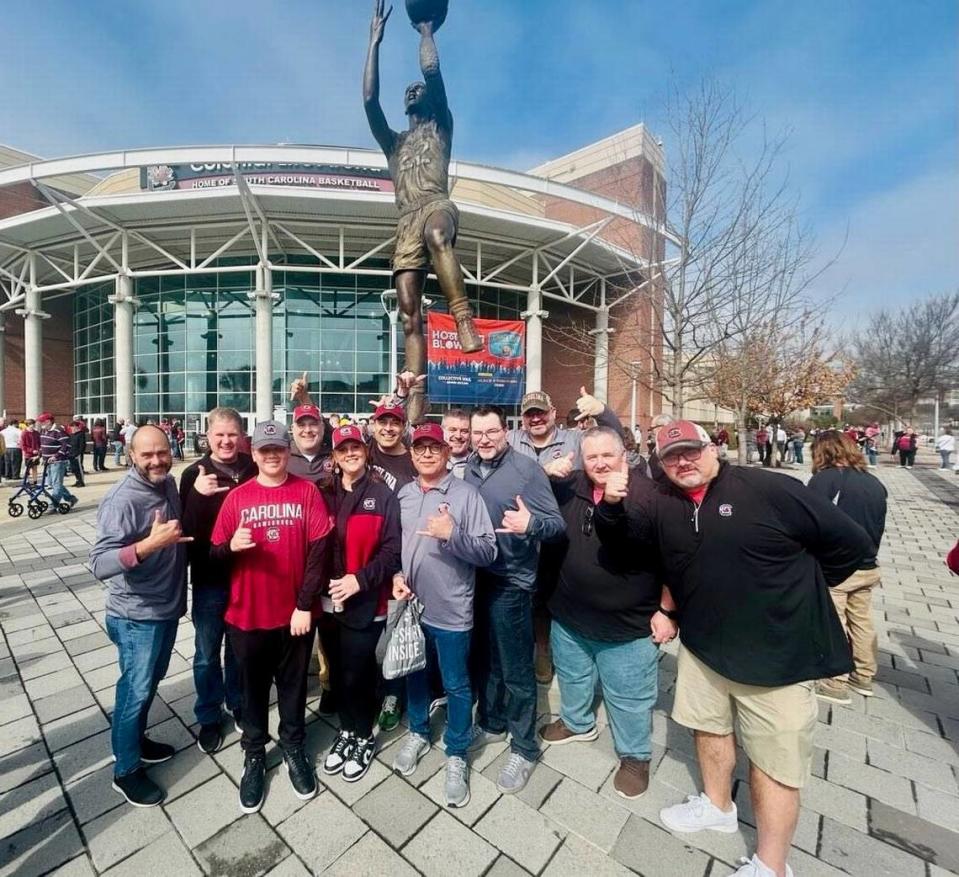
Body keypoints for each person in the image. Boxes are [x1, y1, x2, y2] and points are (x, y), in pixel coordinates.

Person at [595, 420, 874, 877]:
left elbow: (851, 545)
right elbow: (634, 548)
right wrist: (610, 508)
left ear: (713, 449)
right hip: (705, 647)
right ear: (660, 464)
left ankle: (771, 864)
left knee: (773, 762)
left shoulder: (768, 488)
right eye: (671, 457)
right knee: (708, 729)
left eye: (691, 451)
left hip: (777, 657)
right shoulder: (667, 502)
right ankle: (718, 806)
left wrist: (796, 593)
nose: (683, 462)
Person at [364, 0, 483, 423]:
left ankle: (463, 318)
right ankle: (415, 394)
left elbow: (432, 72)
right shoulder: (395, 145)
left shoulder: (441, 126)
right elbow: (369, 100)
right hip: (405, 220)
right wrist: (374, 42)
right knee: (409, 315)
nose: (413, 90)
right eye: (407, 90)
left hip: (436, 205)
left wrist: (426, 30)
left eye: (418, 90)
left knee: (438, 236)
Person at [540, 426, 675, 799]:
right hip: (570, 615)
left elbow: (676, 559)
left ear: (624, 456)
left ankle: (635, 755)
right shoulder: (571, 485)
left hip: (627, 625)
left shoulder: (651, 496)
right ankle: (576, 721)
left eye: (607, 456)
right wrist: (544, 475)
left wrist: (667, 610)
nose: (599, 463)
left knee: (629, 696)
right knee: (573, 675)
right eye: (591, 456)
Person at [210, 421, 334, 814]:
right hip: (246, 616)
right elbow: (213, 557)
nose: (271, 455)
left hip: (294, 616)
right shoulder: (237, 498)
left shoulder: (307, 491)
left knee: (294, 687)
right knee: (252, 691)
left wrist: (303, 604)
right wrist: (231, 546)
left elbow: (319, 553)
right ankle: (253, 753)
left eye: (278, 448)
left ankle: (294, 746)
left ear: (288, 450)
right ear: (255, 453)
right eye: (264, 450)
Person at [391, 422, 497, 806]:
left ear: (447, 451)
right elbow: (396, 547)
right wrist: (397, 576)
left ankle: (457, 751)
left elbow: (488, 551)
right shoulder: (403, 494)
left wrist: (452, 534)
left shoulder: (466, 495)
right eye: (419, 448)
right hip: (412, 607)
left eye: (433, 447)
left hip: (452, 608)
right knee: (415, 674)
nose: (426, 454)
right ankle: (418, 730)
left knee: (456, 683)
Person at [89, 425, 191, 807]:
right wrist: (148, 545)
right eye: (147, 455)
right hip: (136, 616)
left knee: (148, 684)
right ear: (131, 455)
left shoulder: (168, 483)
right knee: (135, 690)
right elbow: (98, 563)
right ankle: (125, 770)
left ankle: (136, 740)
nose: (156, 461)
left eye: (162, 452)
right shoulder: (121, 499)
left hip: (165, 608)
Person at [465, 405, 565, 794]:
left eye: (491, 431)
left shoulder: (527, 470)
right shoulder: (469, 468)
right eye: (478, 433)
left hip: (512, 582)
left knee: (517, 670)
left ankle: (524, 747)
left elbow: (555, 526)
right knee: (487, 661)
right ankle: (491, 722)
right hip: (478, 578)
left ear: (505, 432)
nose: (484, 439)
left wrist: (532, 524)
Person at [508, 386, 622, 685]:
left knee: (556, 591)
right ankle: (532, 649)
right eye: (530, 415)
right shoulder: (509, 441)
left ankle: (555, 651)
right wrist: (542, 472)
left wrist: (603, 412)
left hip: (564, 526)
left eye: (541, 413)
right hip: (522, 528)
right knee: (526, 594)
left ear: (553, 414)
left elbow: (615, 444)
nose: (536, 420)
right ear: (523, 418)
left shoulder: (574, 438)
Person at [319, 425, 401, 783]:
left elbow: (392, 551)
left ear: (366, 452)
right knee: (336, 673)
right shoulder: (322, 494)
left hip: (366, 600)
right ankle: (347, 731)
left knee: (358, 673)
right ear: (334, 457)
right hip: (328, 602)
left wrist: (359, 579)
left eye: (356, 447)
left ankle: (364, 736)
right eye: (343, 449)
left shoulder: (383, 496)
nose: (350, 453)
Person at [180, 407, 256, 754]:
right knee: (206, 653)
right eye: (219, 435)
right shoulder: (193, 473)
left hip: (245, 577)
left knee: (239, 651)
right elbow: (186, 532)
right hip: (210, 579)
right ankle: (208, 715)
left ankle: (237, 703)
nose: (226, 441)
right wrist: (197, 495)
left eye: (232, 435)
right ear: (207, 436)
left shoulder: (251, 468)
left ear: (241, 436)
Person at [808, 432, 888, 703]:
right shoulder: (874, 482)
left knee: (834, 621)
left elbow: (809, 522)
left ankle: (835, 682)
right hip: (868, 564)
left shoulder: (824, 480)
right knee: (862, 621)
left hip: (838, 566)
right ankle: (864, 675)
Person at [37, 413, 78, 509]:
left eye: (42, 422)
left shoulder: (59, 431)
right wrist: (39, 456)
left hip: (58, 461)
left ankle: (54, 504)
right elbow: (43, 445)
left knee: (56, 483)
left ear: (48, 421)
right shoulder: (44, 430)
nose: (40, 424)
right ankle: (71, 498)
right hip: (48, 461)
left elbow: (66, 445)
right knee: (52, 483)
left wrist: (56, 456)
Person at [287, 403, 333, 482]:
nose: (307, 430)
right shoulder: (282, 457)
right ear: (292, 429)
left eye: (313, 424)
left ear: (323, 427)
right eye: (301, 425)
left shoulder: (336, 455)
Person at [442, 408, 472, 478]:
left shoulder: (479, 464)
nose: (458, 436)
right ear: (442, 431)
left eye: (464, 431)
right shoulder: (432, 462)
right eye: (452, 430)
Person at [1, 418, 23, 483]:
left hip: (6, 448)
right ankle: (15, 475)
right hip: (15, 447)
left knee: (7, 462)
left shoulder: (3, 431)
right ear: (15, 424)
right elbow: (21, 439)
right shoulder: (18, 430)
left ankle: (7, 475)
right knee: (16, 462)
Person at [68, 419, 87, 487]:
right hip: (71, 454)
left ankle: (81, 482)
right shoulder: (72, 435)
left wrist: (79, 453)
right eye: (71, 427)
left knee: (79, 468)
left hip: (77, 455)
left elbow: (82, 445)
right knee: (74, 469)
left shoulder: (81, 434)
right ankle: (77, 480)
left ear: (76, 427)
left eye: (72, 427)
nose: (71, 429)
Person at [21, 419, 40, 486]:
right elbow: (23, 446)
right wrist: (32, 450)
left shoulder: (36, 433)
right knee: (28, 469)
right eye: (32, 424)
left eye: (33, 424)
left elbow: (39, 443)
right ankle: (27, 482)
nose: (33, 425)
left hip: (36, 454)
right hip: (28, 454)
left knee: (35, 468)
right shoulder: (24, 433)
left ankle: (35, 482)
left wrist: (38, 450)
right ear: (28, 425)